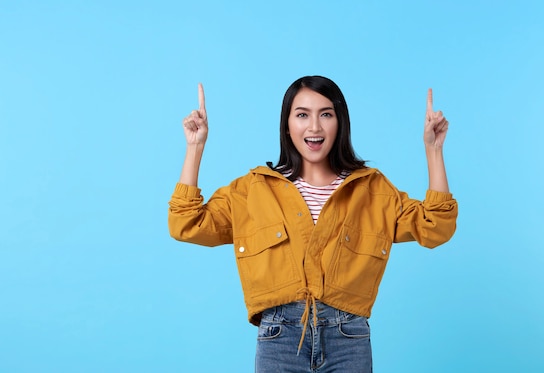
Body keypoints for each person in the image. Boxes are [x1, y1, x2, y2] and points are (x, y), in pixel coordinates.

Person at [168, 76, 458, 372]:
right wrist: (195, 147)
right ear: (287, 124)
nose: (315, 127)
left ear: (340, 123)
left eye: (326, 114)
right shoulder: (252, 190)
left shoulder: (372, 190)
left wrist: (433, 150)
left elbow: (436, 226)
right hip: (279, 338)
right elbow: (185, 222)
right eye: (302, 114)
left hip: (349, 338)